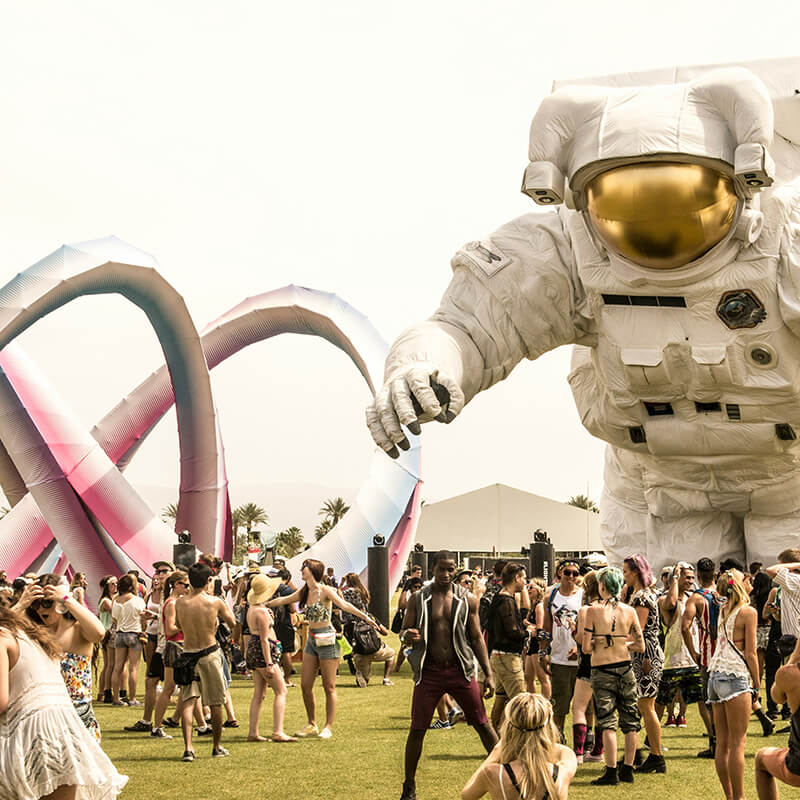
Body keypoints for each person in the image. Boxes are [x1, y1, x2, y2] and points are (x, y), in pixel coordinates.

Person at [365, 65, 800, 576]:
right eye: (624, 200)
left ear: (743, 186)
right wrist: (422, 365)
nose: (653, 223)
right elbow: (468, 326)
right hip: (658, 488)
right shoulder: (571, 249)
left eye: (680, 196)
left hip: (788, 483)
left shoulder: (781, 236)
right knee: (663, 626)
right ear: (582, 201)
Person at [0, 602, 128, 799]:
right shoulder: (34, 635)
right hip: (66, 727)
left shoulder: (8, 637)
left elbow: (1, 700)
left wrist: (67, 598)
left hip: (38, 728)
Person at [399, 549, 498, 800]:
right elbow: (402, 632)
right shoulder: (418, 599)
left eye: (450, 569)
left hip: (460, 670)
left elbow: (476, 638)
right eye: (441, 568)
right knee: (417, 729)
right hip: (429, 672)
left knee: (483, 725)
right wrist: (407, 635)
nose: (446, 573)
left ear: (455, 570)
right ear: (433, 569)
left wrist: (489, 673)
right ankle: (409, 786)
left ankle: (508, 775)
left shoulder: (467, 599)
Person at [267, 558, 381, 740]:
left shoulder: (326, 591)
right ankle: (312, 723)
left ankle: (328, 726)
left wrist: (366, 617)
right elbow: (284, 600)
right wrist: (263, 604)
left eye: (304, 568)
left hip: (327, 639)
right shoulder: (304, 591)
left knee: (329, 686)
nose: (301, 571)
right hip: (312, 640)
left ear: (312, 570)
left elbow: (345, 606)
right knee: (305, 686)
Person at [583, 566, 644, 786]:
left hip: (602, 669)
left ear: (602, 586)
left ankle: (611, 771)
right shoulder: (630, 611)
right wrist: (622, 641)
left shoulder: (593, 611)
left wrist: (600, 640)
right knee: (630, 721)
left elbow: (586, 647)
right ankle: (627, 769)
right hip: (625, 668)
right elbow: (640, 645)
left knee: (607, 721)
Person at [27, 574, 106, 740]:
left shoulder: (78, 629)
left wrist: (66, 598)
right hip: (44, 715)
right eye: (36, 604)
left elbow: (99, 633)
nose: (41, 609)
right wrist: (22, 603)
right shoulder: (36, 633)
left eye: (47, 602)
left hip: (77, 714)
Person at [461, 692, 577, 800]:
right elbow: (561, 750)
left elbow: (466, 795)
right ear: (547, 724)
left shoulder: (492, 773)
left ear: (508, 726)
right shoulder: (562, 770)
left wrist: (496, 751)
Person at [174, 561, 237, 761]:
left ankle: (188, 748)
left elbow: (178, 624)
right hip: (209, 653)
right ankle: (216, 746)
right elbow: (233, 622)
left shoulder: (180, 602)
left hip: (188, 654)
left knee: (188, 702)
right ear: (208, 580)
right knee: (216, 702)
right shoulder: (214, 602)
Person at [708, 568, 759, 800]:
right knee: (738, 743)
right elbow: (751, 653)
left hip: (715, 674)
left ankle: (730, 796)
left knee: (723, 743)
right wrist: (757, 683)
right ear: (740, 585)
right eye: (746, 579)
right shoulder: (748, 612)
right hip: (735, 675)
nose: (750, 582)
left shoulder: (723, 608)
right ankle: (739, 797)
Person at [657, 562, 714, 740]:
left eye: (692, 577)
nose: (690, 581)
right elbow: (671, 603)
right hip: (672, 661)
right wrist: (674, 577)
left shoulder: (693, 599)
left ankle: (713, 738)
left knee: (702, 701)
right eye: (686, 577)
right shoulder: (663, 599)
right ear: (676, 578)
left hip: (693, 660)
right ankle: (651, 739)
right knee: (661, 703)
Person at [622, 554, 665, 773]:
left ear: (636, 572)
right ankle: (648, 752)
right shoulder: (642, 595)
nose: (624, 577)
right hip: (646, 654)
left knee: (646, 706)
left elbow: (637, 630)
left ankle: (656, 755)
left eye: (626, 572)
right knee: (644, 706)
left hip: (645, 655)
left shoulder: (641, 598)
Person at [245, 573, 297, 742]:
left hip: (255, 650)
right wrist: (269, 662)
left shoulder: (253, 609)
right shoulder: (260, 612)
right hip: (263, 651)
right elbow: (264, 639)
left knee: (259, 693)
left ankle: (253, 732)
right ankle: (278, 731)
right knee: (281, 690)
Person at [540, 559, 583, 740]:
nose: (571, 577)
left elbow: (588, 626)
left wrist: (578, 646)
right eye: (567, 573)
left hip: (581, 659)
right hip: (559, 658)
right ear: (559, 573)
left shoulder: (583, 596)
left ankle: (585, 742)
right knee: (559, 705)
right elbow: (546, 628)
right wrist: (543, 653)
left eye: (575, 573)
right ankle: (558, 738)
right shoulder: (550, 597)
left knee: (585, 705)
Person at [487, 563, 530, 730]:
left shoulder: (501, 597)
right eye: (524, 578)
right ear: (517, 578)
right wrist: (529, 633)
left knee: (501, 698)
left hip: (498, 656)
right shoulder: (506, 600)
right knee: (522, 702)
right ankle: (522, 740)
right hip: (507, 657)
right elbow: (512, 631)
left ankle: (496, 740)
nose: (525, 583)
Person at [755, 639, 800, 799]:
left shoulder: (790, 675)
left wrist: (795, 655)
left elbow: (776, 697)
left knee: (761, 758)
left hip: (797, 766)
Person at [151, 570, 188, 739]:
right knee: (169, 688)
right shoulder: (172, 603)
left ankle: (201, 723)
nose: (187, 588)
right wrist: (188, 627)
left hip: (177, 646)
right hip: (174, 646)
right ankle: (157, 726)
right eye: (185, 585)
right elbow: (170, 630)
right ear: (176, 585)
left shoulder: (173, 602)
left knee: (182, 687)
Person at [340, 571, 395, 687]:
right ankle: (385, 678)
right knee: (389, 653)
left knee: (355, 647)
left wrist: (341, 584)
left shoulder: (346, 593)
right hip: (366, 626)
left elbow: (337, 597)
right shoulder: (362, 592)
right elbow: (384, 632)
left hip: (350, 626)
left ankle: (359, 666)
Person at [571, 570, 600, 764]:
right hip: (610, 663)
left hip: (588, 664)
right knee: (603, 710)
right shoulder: (617, 608)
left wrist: (574, 630)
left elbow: (582, 640)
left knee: (579, 707)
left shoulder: (586, 610)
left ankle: (579, 752)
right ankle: (598, 751)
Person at [110, 573, 146, 706]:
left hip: (119, 634)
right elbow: (143, 618)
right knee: (133, 668)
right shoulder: (138, 600)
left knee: (117, 667)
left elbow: (114, 619)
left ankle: (116, 698)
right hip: (134, 634)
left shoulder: (116, 600)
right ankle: (132, 698)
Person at [524, 579, 551, 700]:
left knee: (542, 677)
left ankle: (546, 703)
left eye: (531, 587)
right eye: (527, 587)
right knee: (528, 677)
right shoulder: (532, 605)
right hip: (532, 644)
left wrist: (529, 625)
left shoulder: (539, 606)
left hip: (538, 644)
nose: (528, 589)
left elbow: (540, 629)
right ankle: (533, 702)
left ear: (539, 590)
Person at [97, 575, 118, 704]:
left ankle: (101, 692)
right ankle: (105, 691)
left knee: (108, 665)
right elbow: (115, 613)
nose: (116, 586)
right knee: (110, 664)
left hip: (105, 632)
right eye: (113, 584)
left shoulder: (107, 599)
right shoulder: (106, 601)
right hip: (108, 633)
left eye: (117, 584)